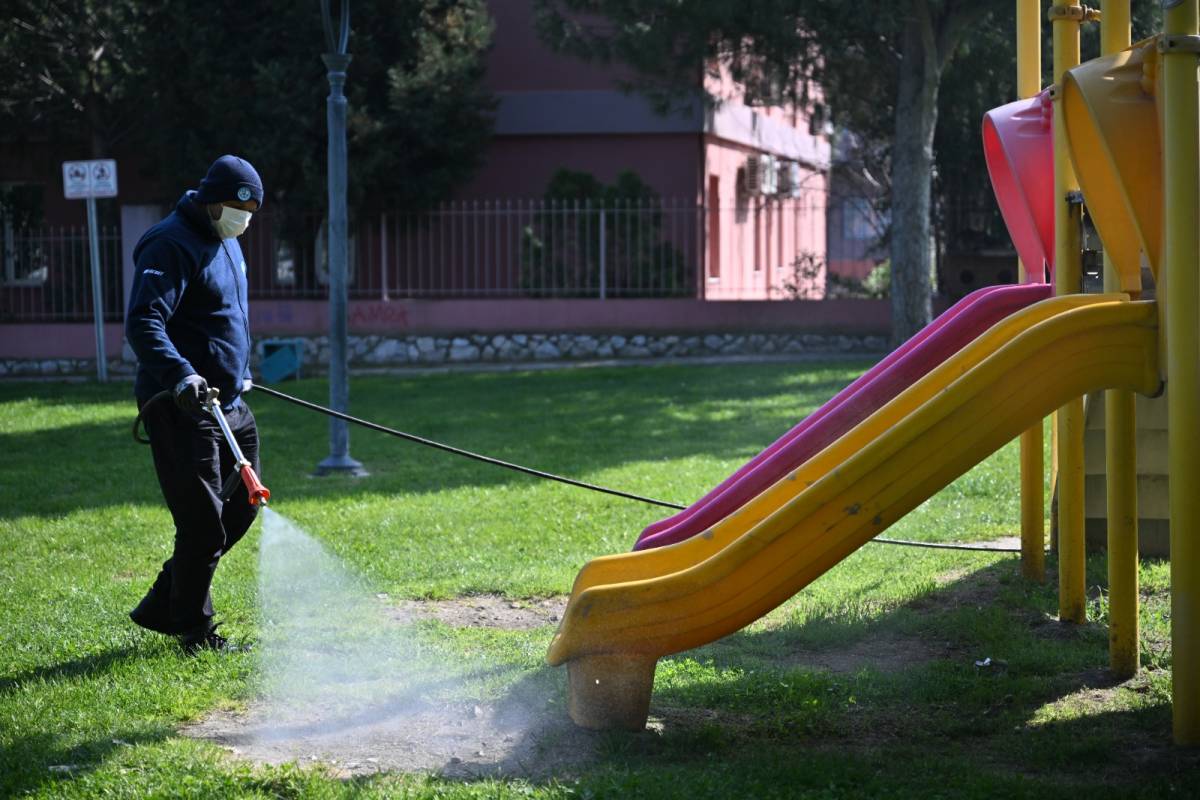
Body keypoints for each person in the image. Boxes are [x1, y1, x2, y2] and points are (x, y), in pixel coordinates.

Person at [125, 155, 264, 654]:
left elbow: (222, 316)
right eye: (235, 207)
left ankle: (166, 602)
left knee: (245, 505)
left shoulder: (224, 240)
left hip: (230, 401)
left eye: (250, 211)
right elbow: (144, 321)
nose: (243, 218)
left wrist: (237, 369)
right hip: (181, 404)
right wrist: (182, 374)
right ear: (210, 200)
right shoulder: (170, 242)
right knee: (202, 524)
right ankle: (195, 632)